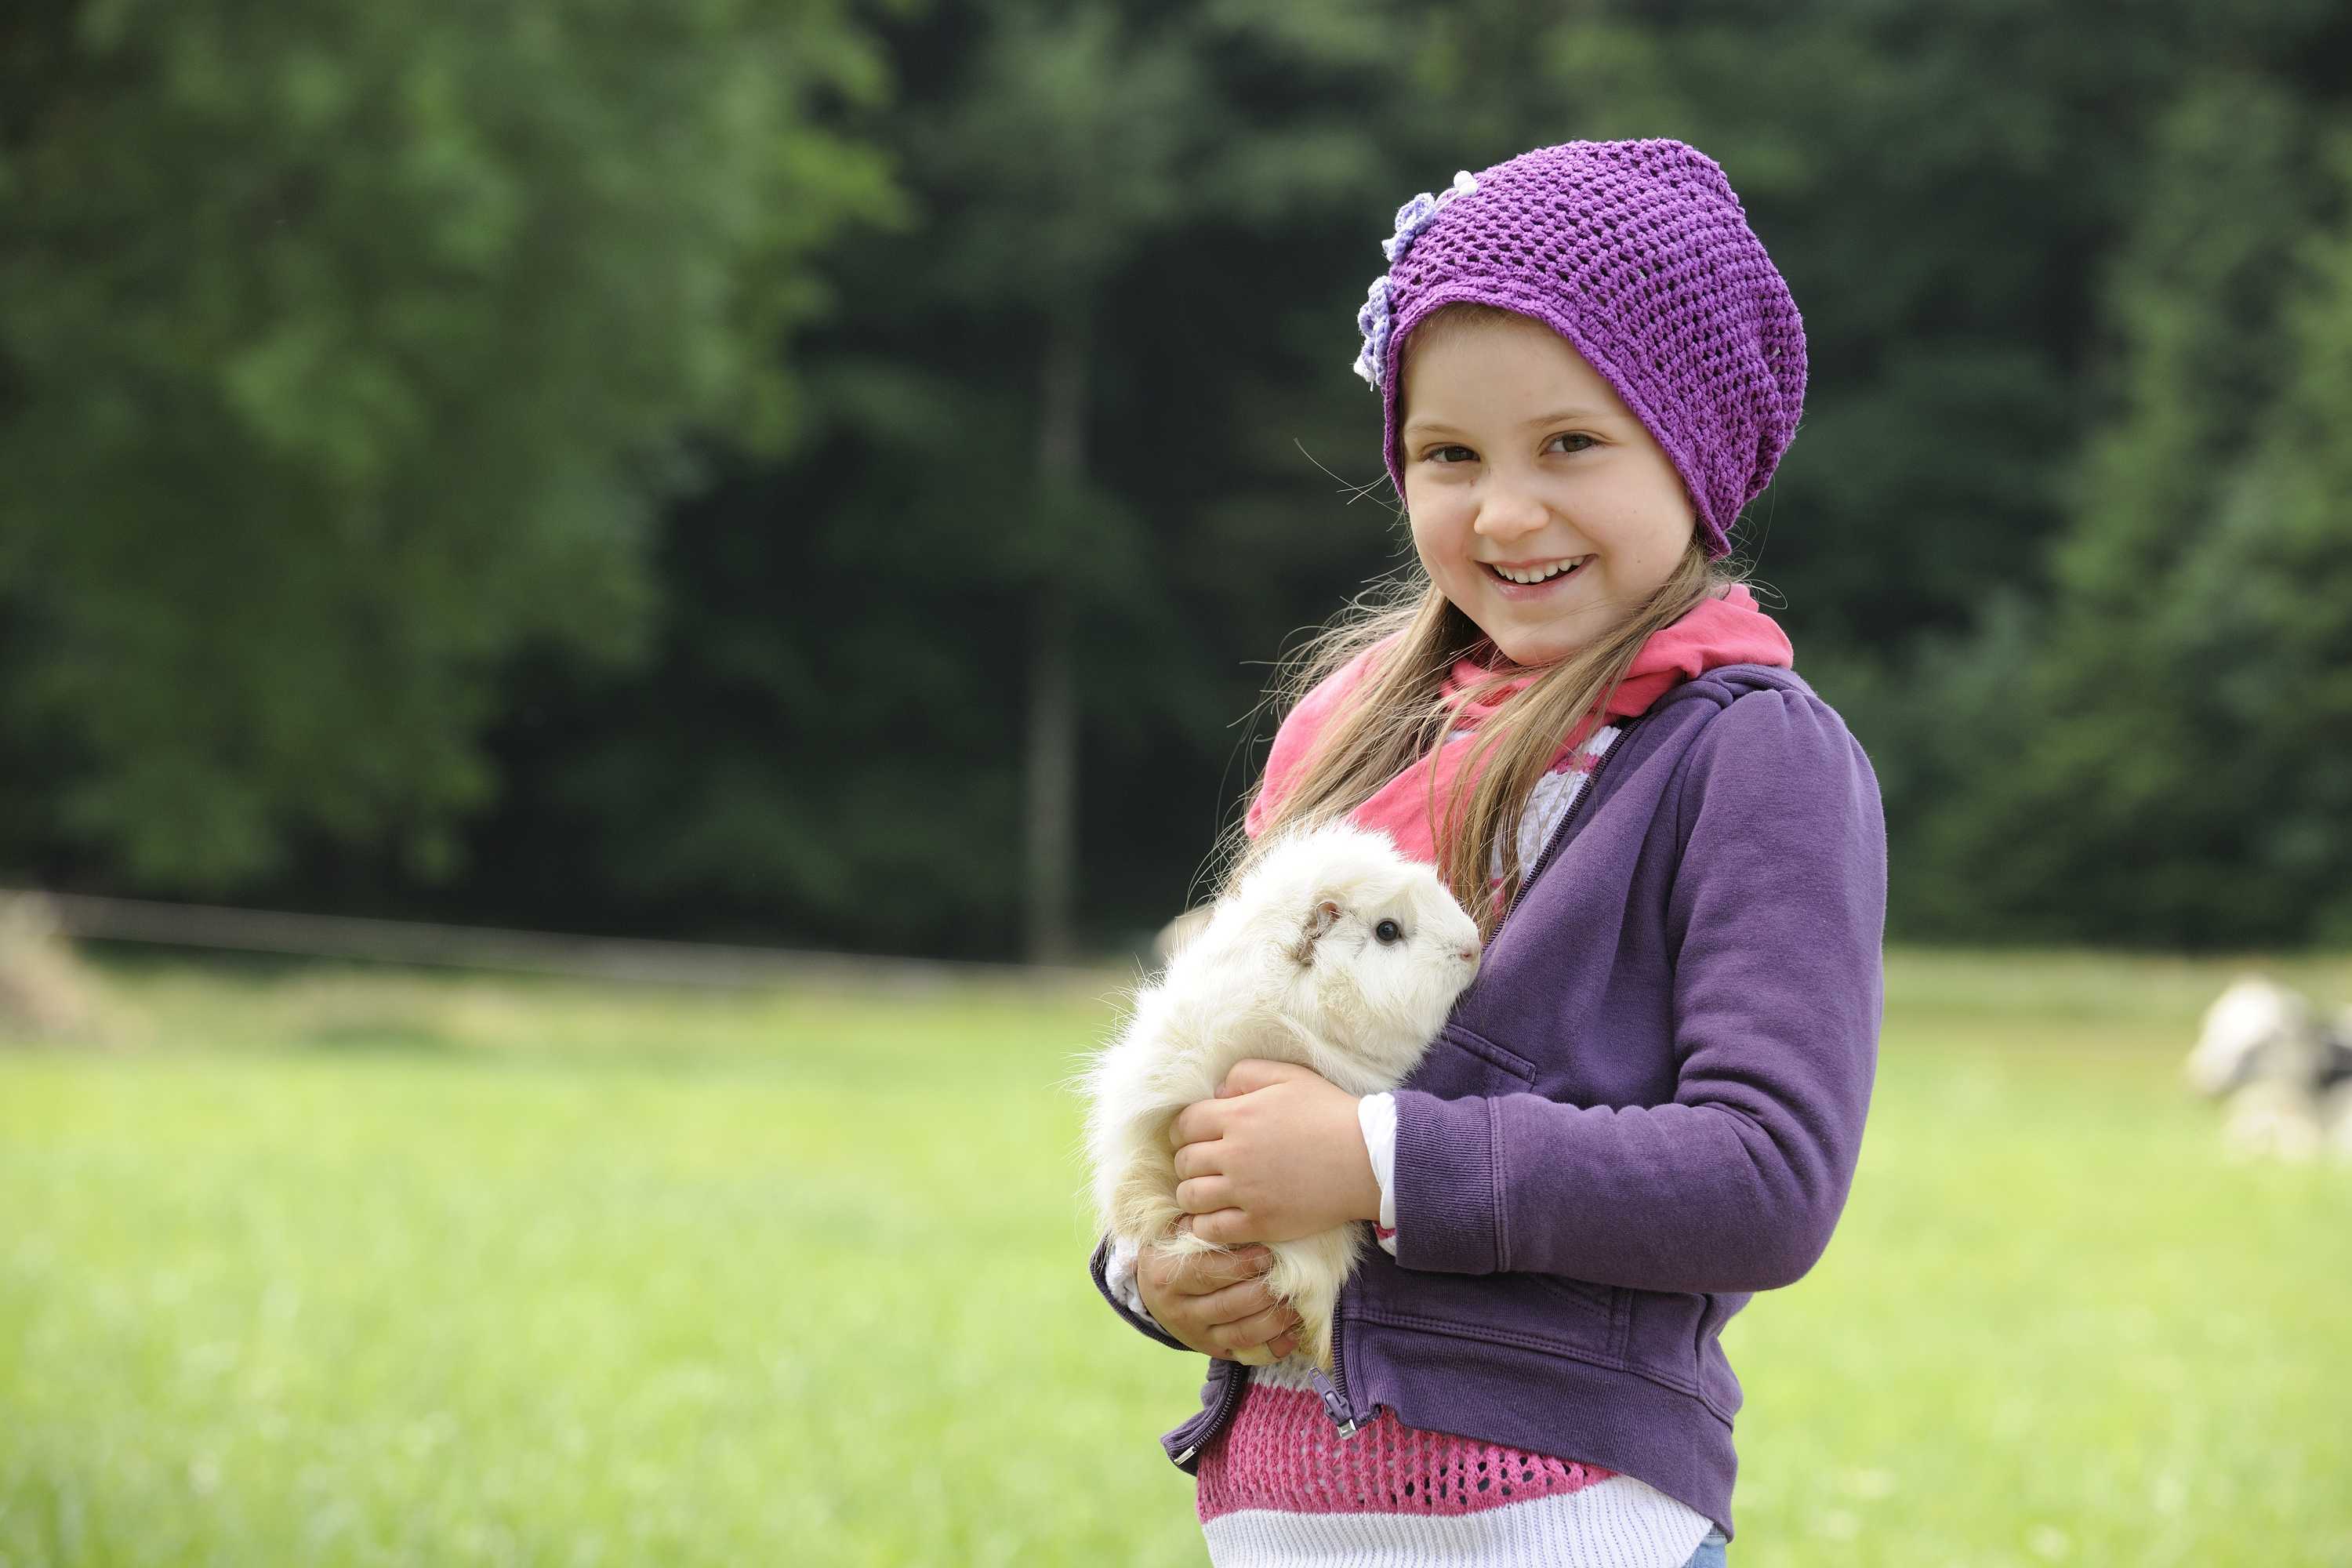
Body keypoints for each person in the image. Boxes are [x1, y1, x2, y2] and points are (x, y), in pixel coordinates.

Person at [1086, 139, 1886, 1566]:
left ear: (1690, 450)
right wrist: (1157, 1268)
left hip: (1573, 1526)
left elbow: (1766, 1178)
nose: (1504, 512)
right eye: (1448, 455)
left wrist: (1376, 1162)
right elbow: (1208, 1074)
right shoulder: (1351, 741)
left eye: (1571, 444)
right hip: (1279, 1520)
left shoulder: (1748, 755)